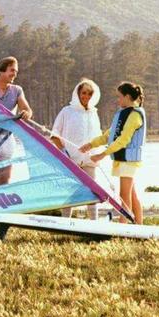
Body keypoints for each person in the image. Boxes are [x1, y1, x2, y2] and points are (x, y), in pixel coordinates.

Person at [83, 81, 146, 224]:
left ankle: (123, 229)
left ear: (128, 97)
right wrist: (90, 144)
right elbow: (108, 136)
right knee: (131, 194)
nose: (118, 100)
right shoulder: (122, 114)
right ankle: (140, 226)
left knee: (124, 196)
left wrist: (102, 154)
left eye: (120, 97)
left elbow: (123, 140)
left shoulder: (135, 115)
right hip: (123, 160)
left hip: (129, 161)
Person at [51, 78, 103, 219]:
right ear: (78, 93)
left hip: (89, 161)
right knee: (69, 194)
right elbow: (54, 135)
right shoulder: (67, 111)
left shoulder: (93, 113)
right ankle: (65, 223)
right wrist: (64, 153)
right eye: (84, 93)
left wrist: (98, 155)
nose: (86, 97)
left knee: (93, 193)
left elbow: (98, 136)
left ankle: (94, 224)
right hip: (71, 160)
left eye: (89, 94)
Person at [0, 56, 33, 188]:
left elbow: (27, 110)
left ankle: (3, 208)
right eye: (12, 70)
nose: (14, 74)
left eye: (16, 71)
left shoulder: (17, 90)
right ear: (1, 71)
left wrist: (26, 113)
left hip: (7, 140)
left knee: (4, 182)